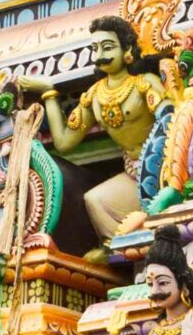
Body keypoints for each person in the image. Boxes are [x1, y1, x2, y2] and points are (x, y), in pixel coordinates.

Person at [19, 17, 172, 241]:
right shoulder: (94, 96)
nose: (100, 55)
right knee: (95, 200)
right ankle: (123, 249)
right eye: (95, 48)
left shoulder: (144, 83)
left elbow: (169, 120)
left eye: (108, 47)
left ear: (127, 50)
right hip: (134, 174)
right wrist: (49, 93)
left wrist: (165, 169)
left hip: (165, 170)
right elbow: (64, 142)